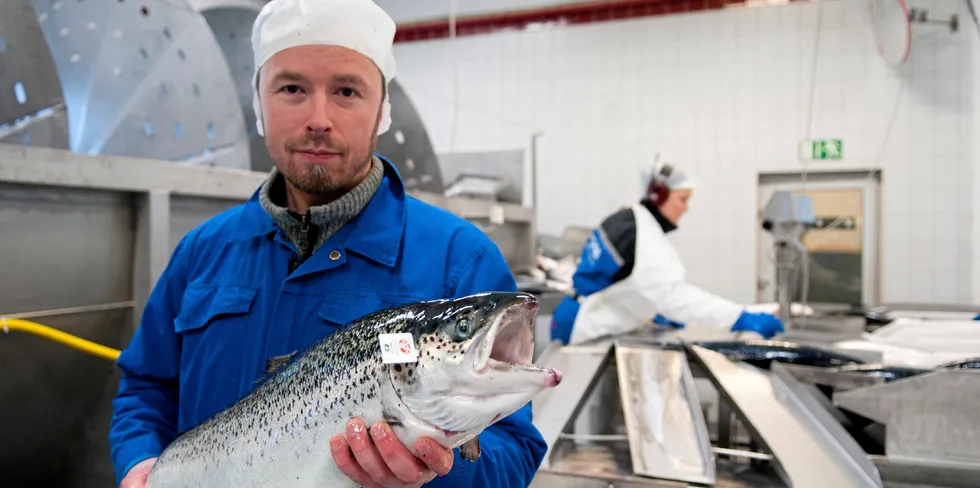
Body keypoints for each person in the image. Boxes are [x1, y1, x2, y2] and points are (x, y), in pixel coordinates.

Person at [108, 0, 546, 487]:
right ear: (258, 103)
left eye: (346, 90)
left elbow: (514, 453)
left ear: (381, 109)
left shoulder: (459, 262)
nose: (319, 118)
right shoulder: (202, 252)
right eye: (292, 87)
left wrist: (433, 473)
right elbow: (145, 389)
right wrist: (140, 462)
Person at [550, 160, 785, 345]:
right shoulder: (643, 233)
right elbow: (673, 296)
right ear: (658, 195)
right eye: (682, 199)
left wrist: (650, 310)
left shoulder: (629, 220)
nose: (686, 208)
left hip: (574, 316)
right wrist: (738, 317)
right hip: (588, 327)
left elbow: (625, 282)